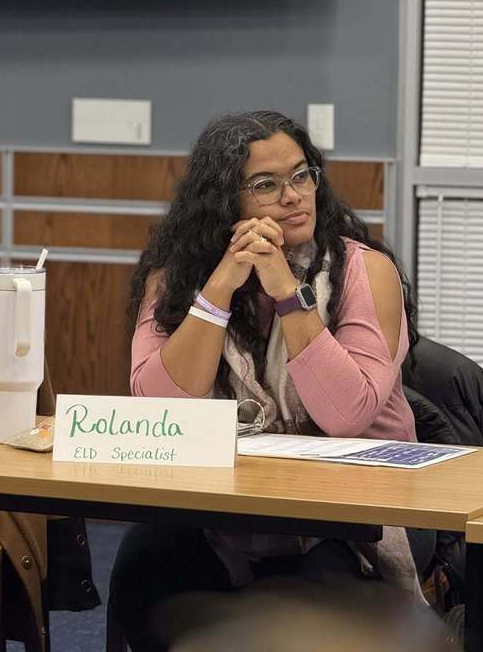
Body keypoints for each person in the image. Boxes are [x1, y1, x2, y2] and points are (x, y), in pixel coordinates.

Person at [110, 110, 428, 652]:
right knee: (145, 566)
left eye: (303, 176)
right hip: (233, 497)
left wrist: (286, 291)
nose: (294, 196)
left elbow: (346, 415)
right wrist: (219, 289)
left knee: (312, 601)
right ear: (223, 203)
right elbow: (159, 408)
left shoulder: (362, 271)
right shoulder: (178, 278)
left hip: (364, 503)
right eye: (266, 185)